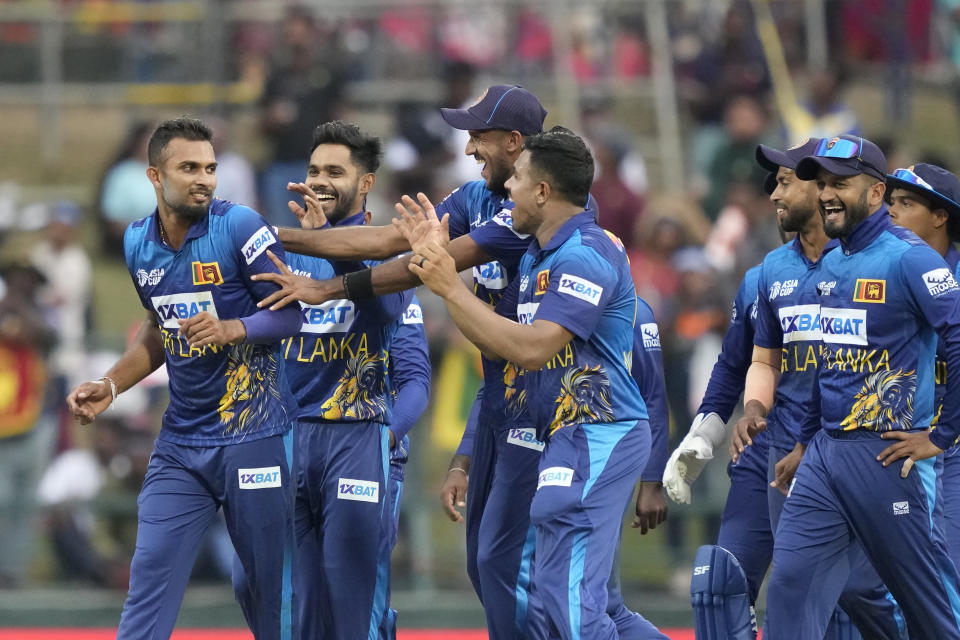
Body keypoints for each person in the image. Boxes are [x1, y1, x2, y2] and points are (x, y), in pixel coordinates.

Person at [408, 126, 654, 640]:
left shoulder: (586, 253)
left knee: (563, 596)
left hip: (599, 427)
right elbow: (501, 356)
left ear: (543, 190)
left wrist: (451, 288)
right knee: (572, 593)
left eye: (518, 178)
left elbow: (533, 348)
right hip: (565, 432)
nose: (509, 191)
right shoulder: (540, 255)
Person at [65, 117, 302, 640]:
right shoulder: (135, 243)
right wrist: (111, 384)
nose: (205, 178)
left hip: (256, 437)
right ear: (155, 176)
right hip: (181, 444)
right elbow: (158, 330)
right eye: (189, 167)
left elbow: (291, 314)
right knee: (149, 576)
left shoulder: (240, 226)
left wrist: (232, 328)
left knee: (267, 590)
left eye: (211, 167)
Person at [234, 121, 428, 639]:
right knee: (260, 585)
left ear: (364, 183)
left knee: (353, 598)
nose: (320, 180)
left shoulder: (393, 255)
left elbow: (407, 360)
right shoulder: (279, 255)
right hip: (286, 440)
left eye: (335, 171)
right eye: (314, 169)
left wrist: (387, 439)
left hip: (358, 437)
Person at [763, 134, 960, 638]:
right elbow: (828, 363)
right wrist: (807, 441)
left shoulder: (911, 259)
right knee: (788, 584)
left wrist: (942, 435)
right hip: (826, 455)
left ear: (876, 194)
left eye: (840, 184)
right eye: (822, 183)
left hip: (888, 454)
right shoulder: (831, 262)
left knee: (927, 604)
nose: (827, 193)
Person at [885, 162, 960, 566]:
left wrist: (944, 434)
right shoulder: (882, 270)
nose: (891, 211)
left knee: (948, 567)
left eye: (906, 203)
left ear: (940, 215)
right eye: (890, 201)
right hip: (897, 441)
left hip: (950, 440)